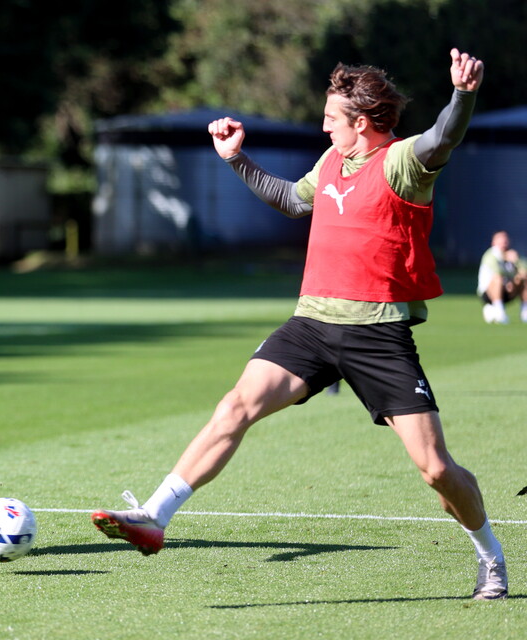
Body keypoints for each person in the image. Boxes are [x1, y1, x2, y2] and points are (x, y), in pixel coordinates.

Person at [91, 49, 507, 600]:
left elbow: (442, 138)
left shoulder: (402, 161)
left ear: (360, 122)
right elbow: (290, 200)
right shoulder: (331, 163)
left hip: (377, 333)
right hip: (311, 322)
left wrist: (463, 95)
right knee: (235, 405)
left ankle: (491, 557)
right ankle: (155, 516)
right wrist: (236, 159)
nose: (322, 125)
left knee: (434, 469)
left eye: (331, 117)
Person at [477, 230, 527, 324]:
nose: (503, 244)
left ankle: (525, 312)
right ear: (494, 243)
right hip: (488, 293)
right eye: (500, 242)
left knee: (524, 278)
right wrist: (505, 259)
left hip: (509, 290)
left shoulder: (512, 254)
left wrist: (516, 261)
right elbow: (498, 272)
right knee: (498, 279)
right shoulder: (490, 255)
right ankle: (499, 311)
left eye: (505, 242)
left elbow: (524, 271)